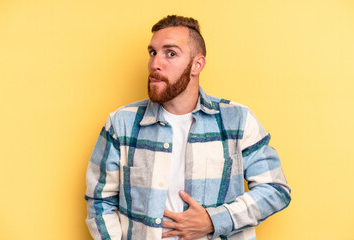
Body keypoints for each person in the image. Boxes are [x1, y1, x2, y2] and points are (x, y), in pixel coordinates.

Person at [85, 15, 291, 240]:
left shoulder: (237, 120)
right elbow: (99, 201)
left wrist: (214, 220)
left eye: (170, 53)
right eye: (153, 52)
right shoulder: (121, 123)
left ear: (197, 65)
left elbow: (275, 189)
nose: (155, 63)